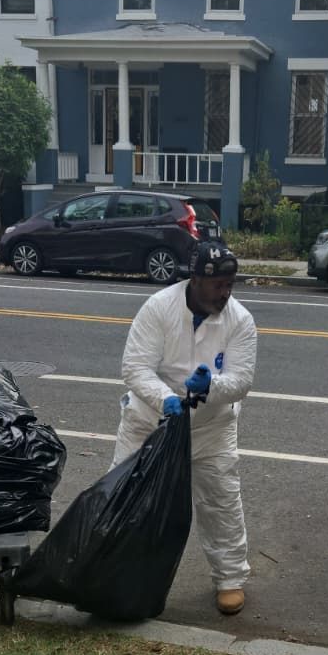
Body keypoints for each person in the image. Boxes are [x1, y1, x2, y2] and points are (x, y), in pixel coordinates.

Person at [111, 239, 258, 614]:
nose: (225, 293)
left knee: (220, 501)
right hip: (149, 423)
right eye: (217, 285)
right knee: (125, 496)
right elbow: (135, 367)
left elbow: (241, 380)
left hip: (211, 428)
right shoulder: (159, 308)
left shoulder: (240, 320)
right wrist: (166, 400)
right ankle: (115, 571)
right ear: (195, 279)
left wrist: (212, 385)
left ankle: (229, 579)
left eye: (230, 284)